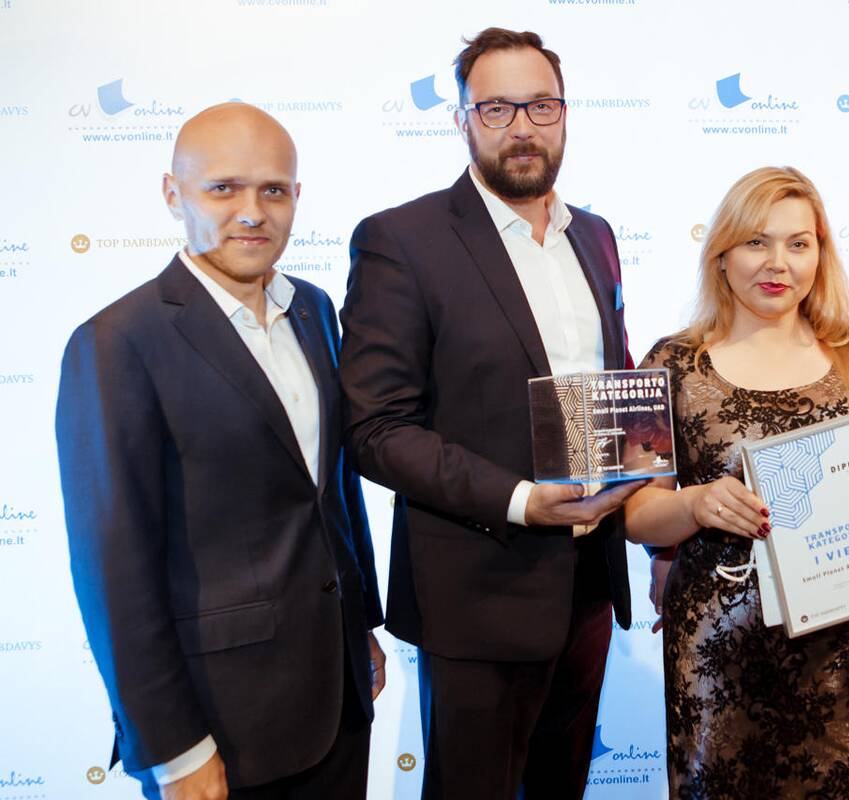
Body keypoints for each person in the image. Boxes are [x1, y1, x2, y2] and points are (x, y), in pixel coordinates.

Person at [338, 27, 641, 800]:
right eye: (497, 108)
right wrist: (520, 500)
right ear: (461, 121)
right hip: (477, 596)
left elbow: (608, 389)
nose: (522, 127)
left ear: (565, 114)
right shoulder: (402, 240)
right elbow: (376, 430)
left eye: (541, 106)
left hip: (589, 587)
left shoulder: (595, 237)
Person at [56, 103, 385, 800]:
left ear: (297, 197)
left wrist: (359, 627)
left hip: (337, 696)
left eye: (273, 190)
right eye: (223, 188)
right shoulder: (117, 343)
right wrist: (172, 749)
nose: (252, 212)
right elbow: (113, 570)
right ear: (173, 194)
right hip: (222, 723)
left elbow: (330, 488)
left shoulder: (314, 309)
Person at [625, 166, 849, 798]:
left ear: (821, 252)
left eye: (798, 243)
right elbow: (635, 515)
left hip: (843, 653)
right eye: (756, 242)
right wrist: (696, 503)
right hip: (717, 659)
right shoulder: (671, 364)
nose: (778, 263)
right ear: (722, 254)